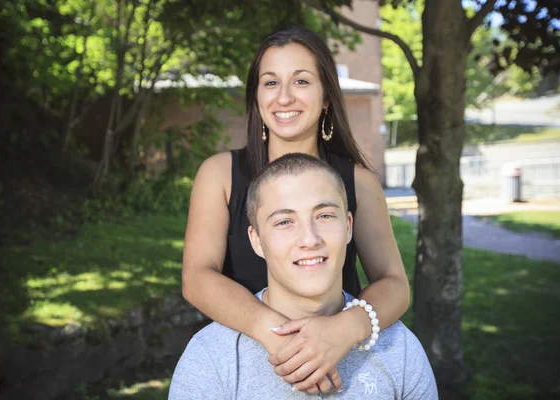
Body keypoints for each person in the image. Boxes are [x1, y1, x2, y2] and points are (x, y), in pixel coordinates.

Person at [182, 26, 410, 393]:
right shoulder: (220, 175)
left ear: (325, 98)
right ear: (256, 96)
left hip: (341, 363)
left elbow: (395, 285)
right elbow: (196, 278)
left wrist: (344, 330)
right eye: (270, 83)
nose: (283, 97)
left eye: (301, 81)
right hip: (244, 364)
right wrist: (279, 337)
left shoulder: (360, 183)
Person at [169, 154, 437, 399]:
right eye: (284, 221)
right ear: (257, 240)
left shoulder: (399, 350)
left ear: (348, 227)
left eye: (324, 215)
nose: (309, 239)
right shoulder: (212, 358)